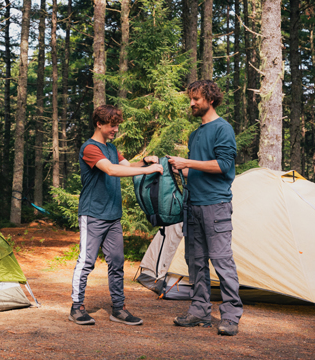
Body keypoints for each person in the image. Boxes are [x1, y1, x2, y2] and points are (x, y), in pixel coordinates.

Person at [69, 104, 163, 326]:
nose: (115, 130)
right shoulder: (90, 148)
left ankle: (118, 309)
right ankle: (77, 307)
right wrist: (146, 170)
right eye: (112, 126)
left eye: (117, 126)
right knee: (86, 262)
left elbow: (127, 165)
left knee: (117, 262)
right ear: (99, 123)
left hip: (113, 216)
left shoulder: (111, 149)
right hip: (92, 214)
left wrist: (145, 162)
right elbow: (111, 170)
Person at [167, 80, 242, 336]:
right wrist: (180, 169)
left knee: (222, 262)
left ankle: (231, 316)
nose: (191, 103)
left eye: (196, 98)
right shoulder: (195, 133)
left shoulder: (223, 129)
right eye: (191, 98)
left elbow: (223, 166)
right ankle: (200, 311)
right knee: (195, 262)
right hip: (193, 206)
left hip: (216, 207)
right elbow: (198, 170)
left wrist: (188, 161)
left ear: (210, 99)